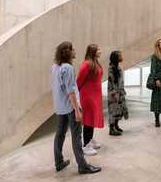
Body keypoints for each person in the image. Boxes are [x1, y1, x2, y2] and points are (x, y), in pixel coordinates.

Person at [51, 41, 101, 174]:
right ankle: (83, 165)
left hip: (60, 106)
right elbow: (71, 91)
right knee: (76, 136)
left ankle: (59, 161)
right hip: (71, 106)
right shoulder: (68, 68)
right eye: (72, 49)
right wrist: (77, 110)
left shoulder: (55, 67)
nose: (75, 51)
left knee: (60, 133)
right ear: (67, 52)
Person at [77, 44, 104, 156]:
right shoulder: (86, 64)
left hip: (95, 96)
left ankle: (90, 139)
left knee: (92, 118)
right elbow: (78, 81)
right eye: (98, 49)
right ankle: (86, 145)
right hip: (88, 96)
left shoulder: (95, 63)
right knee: (88, 120)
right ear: (92, 51)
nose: (100, 51)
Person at [107, 51, 129, 136]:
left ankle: (116, 125)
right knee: (113, 110)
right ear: (116, 58)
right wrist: (115, 93)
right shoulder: (111, 68)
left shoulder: (118, 67)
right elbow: (112, 81)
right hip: (114, 93)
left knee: (119, 109)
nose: (122, 57)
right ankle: (111, 129)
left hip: (120, 92)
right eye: (120, 56)